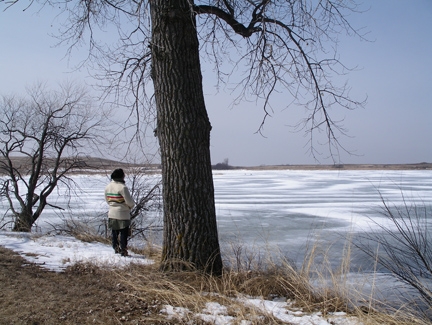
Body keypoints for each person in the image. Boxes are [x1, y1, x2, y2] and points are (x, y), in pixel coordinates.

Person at [104, 168, 135, 256]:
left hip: (112, 212)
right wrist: (130, 207)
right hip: (123, 213)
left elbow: (107, 200)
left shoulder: (108, 186)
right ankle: (123, 250)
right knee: (123, 233)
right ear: (121, 177)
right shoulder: (123, 187)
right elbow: (129, 202)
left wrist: (112, 206)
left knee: (114, 232)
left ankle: (115, 248)